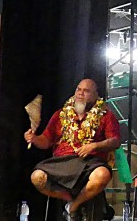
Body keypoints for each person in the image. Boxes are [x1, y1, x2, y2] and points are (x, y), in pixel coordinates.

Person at [24, 78, 121, 221]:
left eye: (86, 91)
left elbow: (115, 141)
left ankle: (73, 207)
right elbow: (46, 141)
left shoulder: (106, 116)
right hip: (62, 162)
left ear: (96, 95)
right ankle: (70, 199)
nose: (80, 93)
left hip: (90, 162)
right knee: (37, 177)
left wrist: (94, 146)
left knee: (102, 175)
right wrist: (34, 138)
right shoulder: (60, 115)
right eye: (78, 90)